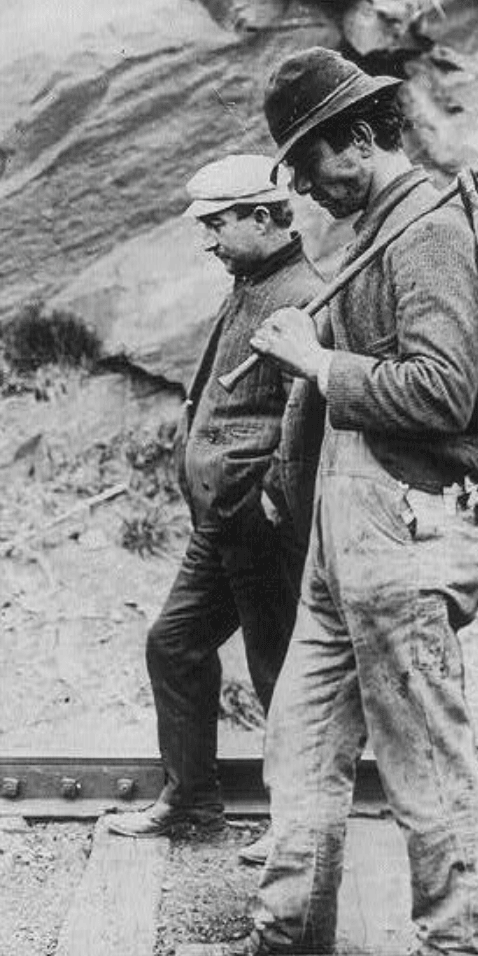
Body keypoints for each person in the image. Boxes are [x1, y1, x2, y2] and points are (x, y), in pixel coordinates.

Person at [231, 47, 478, 956]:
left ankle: (459, 954)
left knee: (423, 755)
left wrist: (317, 362)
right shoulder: (370, 229)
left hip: (407, 522)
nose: (304, 187)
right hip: (347, 532)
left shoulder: (427, 230)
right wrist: (288, 482)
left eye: (310, 163)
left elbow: (441, 390)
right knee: (299, 738)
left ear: (362, 140)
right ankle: (288, 931)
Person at [106, 155, 326, 864]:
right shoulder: (254, 284)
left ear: (262, 219)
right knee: (174, 644)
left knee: (279, 672)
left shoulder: (305, 296)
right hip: (224, 520)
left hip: (259, 523)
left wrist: (270, 499)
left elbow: (305, 419)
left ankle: (298, 827)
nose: (207, 241)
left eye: (216, 225)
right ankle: (193, 802)